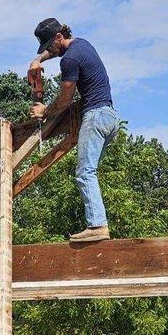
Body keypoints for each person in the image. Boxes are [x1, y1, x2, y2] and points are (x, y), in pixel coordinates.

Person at [29, 17, 118, 243]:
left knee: (85, 173)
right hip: (110, 117)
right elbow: (58, 54)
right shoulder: (82, 44)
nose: (49, 50)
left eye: (50, 45)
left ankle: (97, 225)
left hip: (95, 116)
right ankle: (98, 222)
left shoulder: (68, 60)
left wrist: (44, 111)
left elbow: (64, 101)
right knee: (91, 172)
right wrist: (38, 60)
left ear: (59, 37)